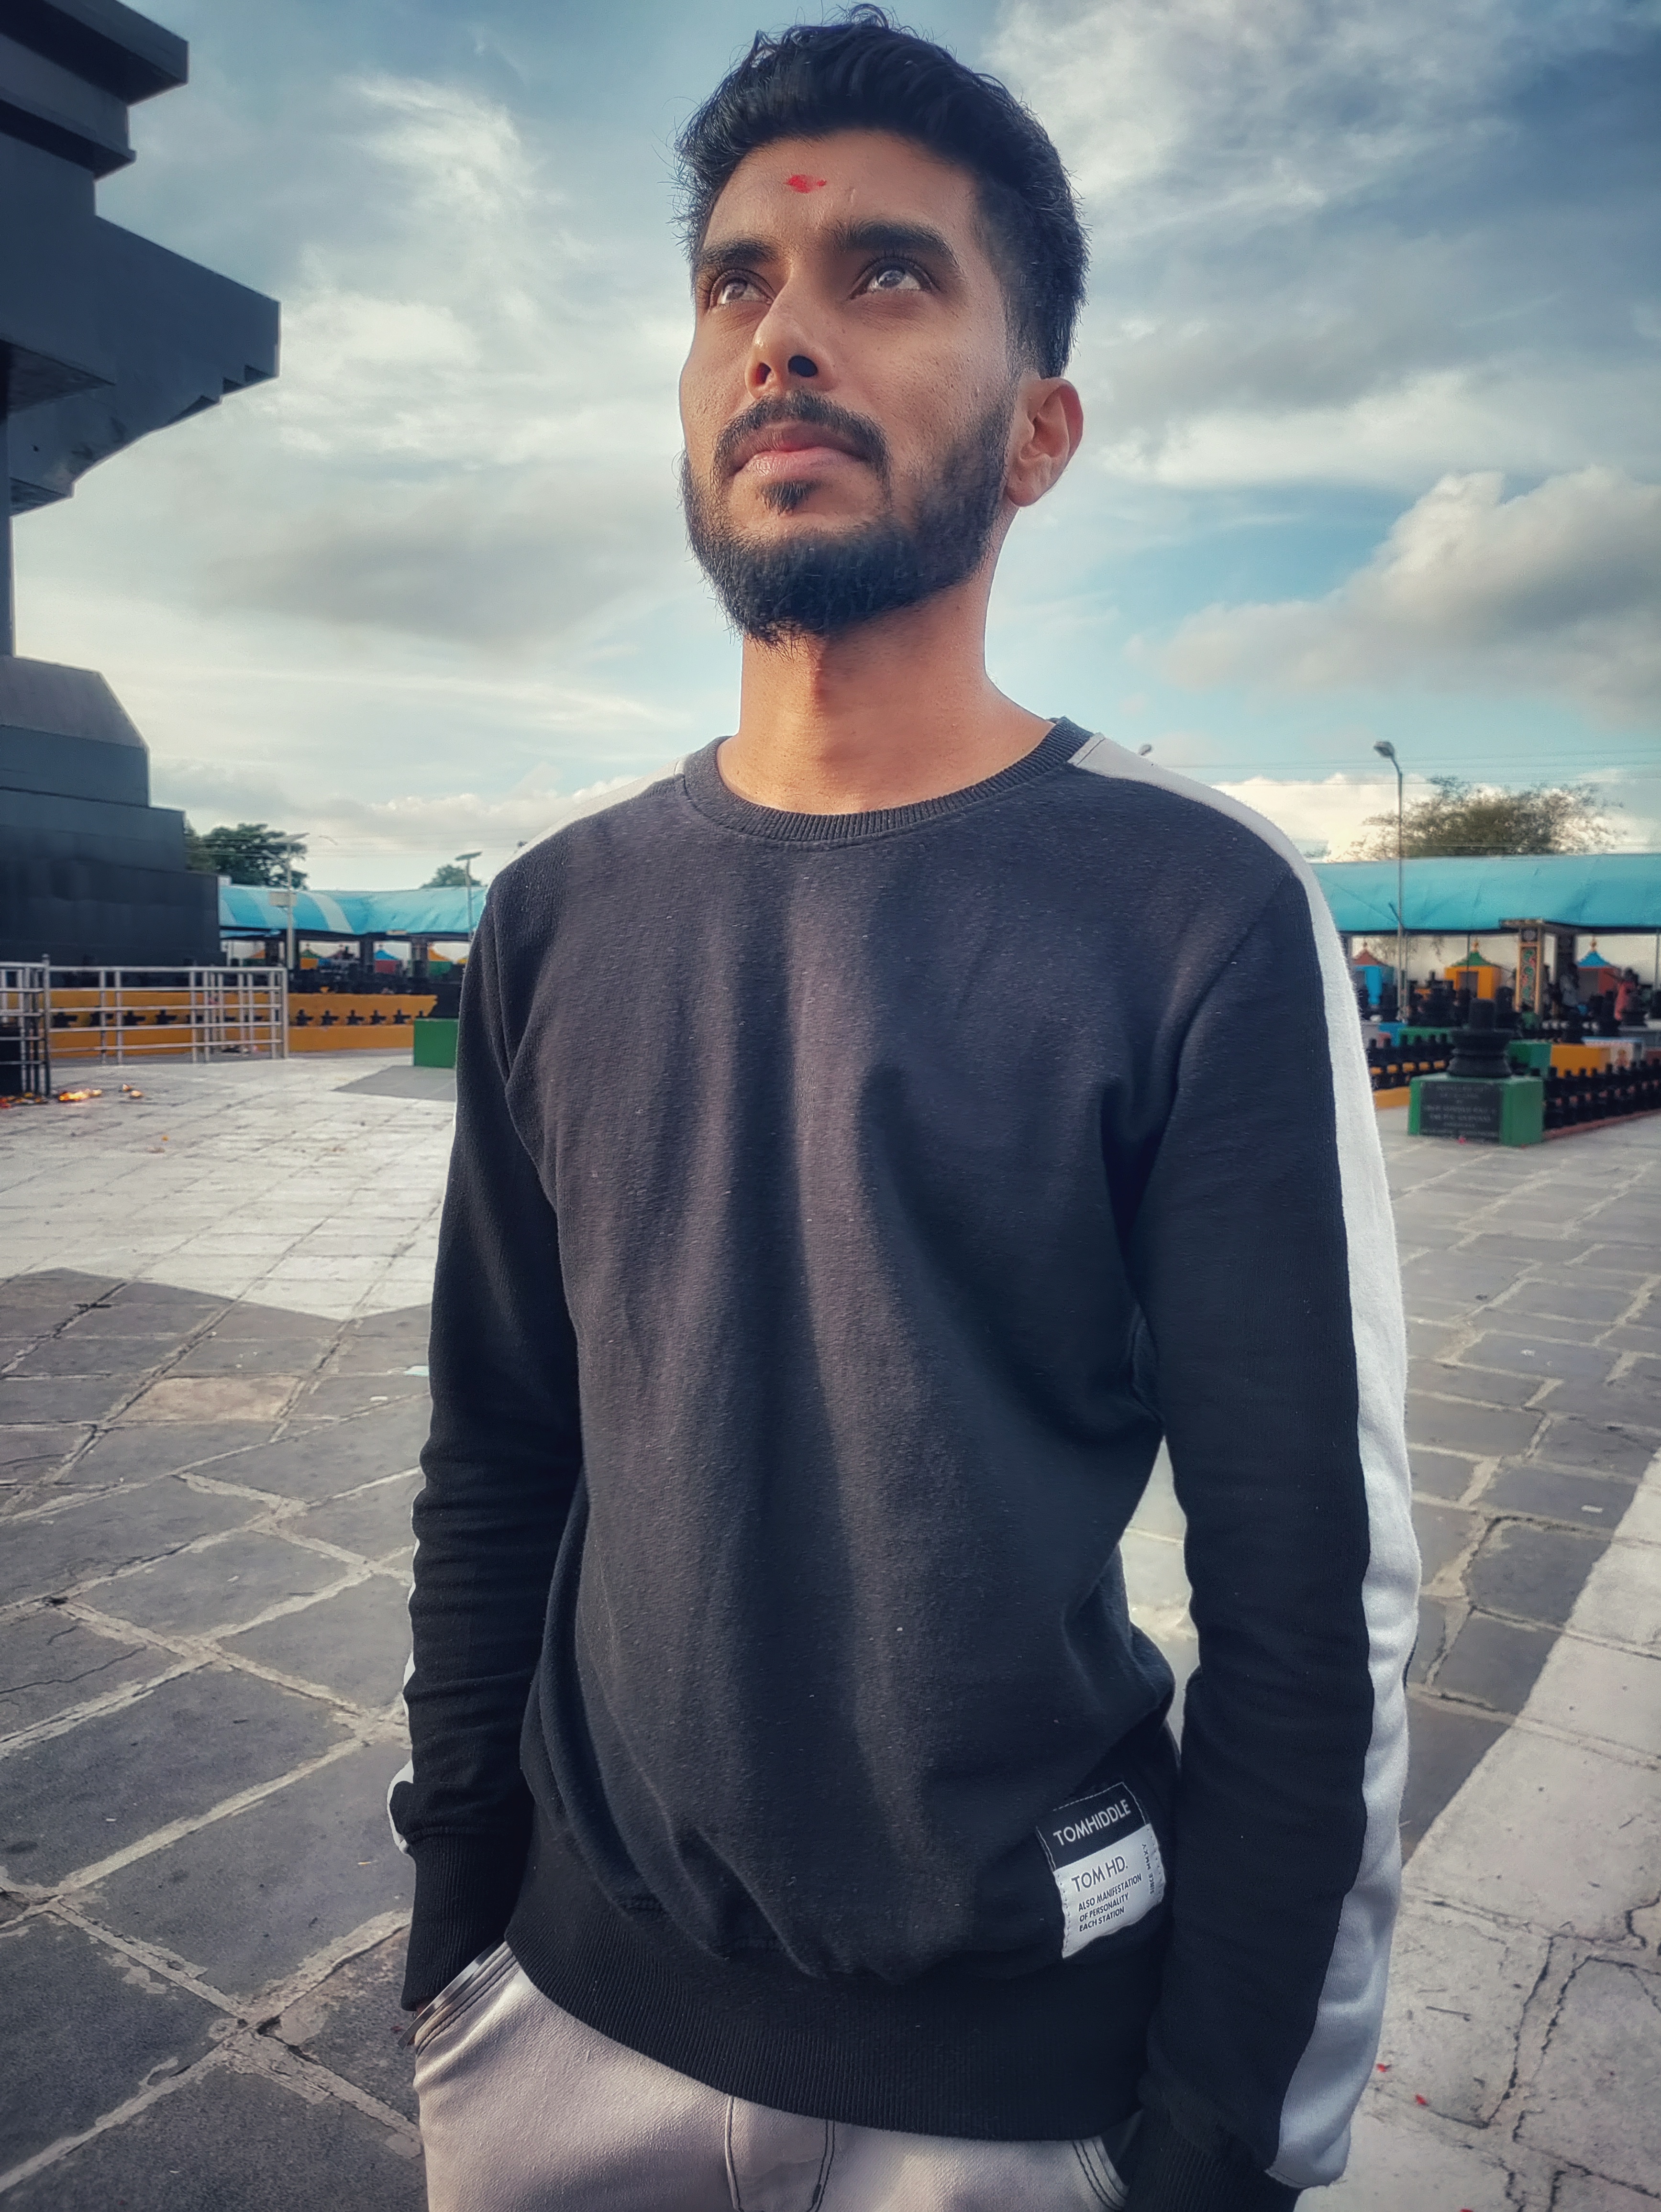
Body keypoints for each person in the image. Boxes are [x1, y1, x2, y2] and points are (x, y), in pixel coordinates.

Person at [389, 13, 1418, 2209]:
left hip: (1017, 2093)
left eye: (885, 274)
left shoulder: (1199, 911)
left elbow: (1308, 1597)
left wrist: (1224, 2133)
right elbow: (496, 1451)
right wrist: (455, 1913)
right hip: (552, 2033)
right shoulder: (553, 915)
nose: (784, 335)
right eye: (735, 286)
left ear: (1041, 430)